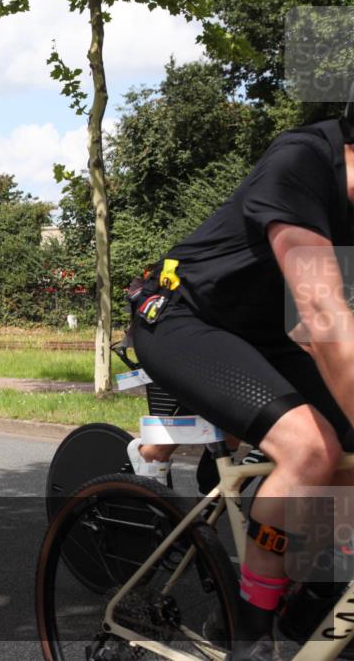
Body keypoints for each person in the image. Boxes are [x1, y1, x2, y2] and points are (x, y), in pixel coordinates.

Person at [129, 95, 354, 659]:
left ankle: (313, 598)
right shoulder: (300, 162)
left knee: (348, 454)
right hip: (182, 315)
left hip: (263, 335)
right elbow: (325, 317)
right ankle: (250, 636)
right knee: (311, 450)